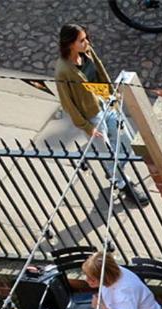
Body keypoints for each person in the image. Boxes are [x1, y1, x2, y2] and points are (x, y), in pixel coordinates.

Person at [54, 24, 148, 205]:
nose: (86, 42)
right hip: (91, 116)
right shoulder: (63, 70)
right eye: (81, 40)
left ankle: (113, 169)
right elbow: (68, 104)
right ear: (70, 44)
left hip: (106, 104)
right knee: (107, 152)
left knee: (126, 142)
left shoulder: (87, 52)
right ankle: (122, 183)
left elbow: (101, 72)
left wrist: (111, 95)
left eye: (86, 38)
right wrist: (87, 127)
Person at [81, 252, 162, 309]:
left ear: (105, 277)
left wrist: (101, 308)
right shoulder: (113, 272)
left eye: (91, 278)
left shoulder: (124, 294)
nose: (86, 279)